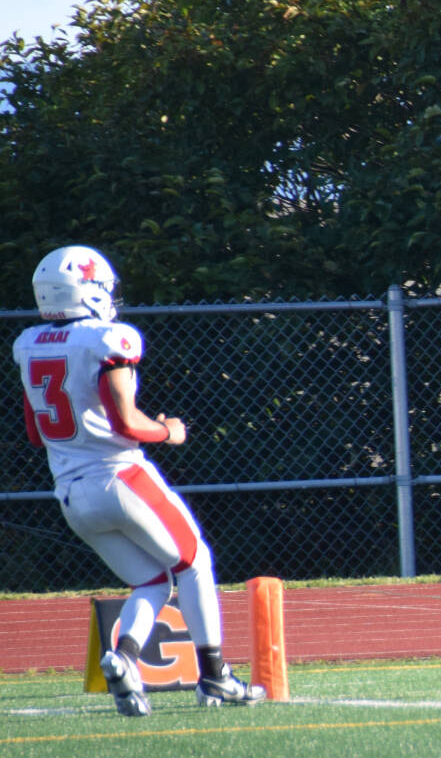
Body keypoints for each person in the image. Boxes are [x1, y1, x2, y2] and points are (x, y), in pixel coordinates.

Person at [12, 245, 265, 716]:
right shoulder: (108, 338)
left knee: (152, 581)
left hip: (70, 493)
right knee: (193, 562)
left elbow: (33, 431)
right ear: (88, 291)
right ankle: (215, 677)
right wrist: (168, 431)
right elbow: (127, 423)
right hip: (120, 476)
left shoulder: (28, 343)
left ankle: (123, 659)